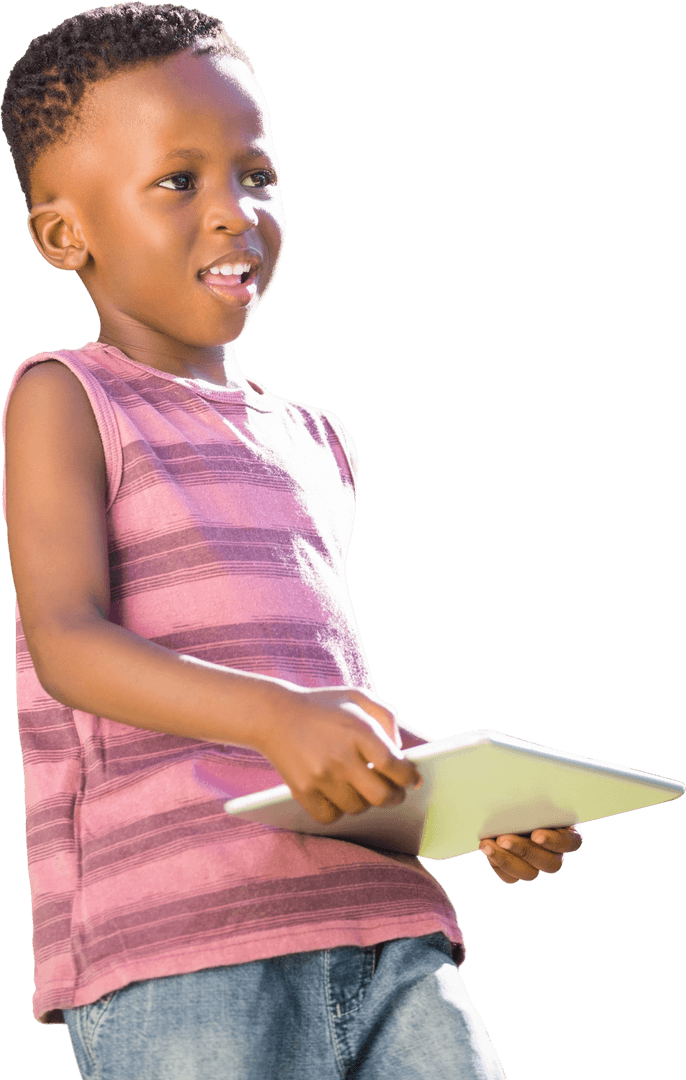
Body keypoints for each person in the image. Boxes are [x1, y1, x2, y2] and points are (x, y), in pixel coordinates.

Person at [1, 5, 582, 1077]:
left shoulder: (322, 441)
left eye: (255, 176)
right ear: (63, 232)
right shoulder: (64, 398)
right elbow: (68, 643)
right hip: (183, 949)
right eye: (178, 182)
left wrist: (452, 798)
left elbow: (317, 700)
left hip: (385, 925)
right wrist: (277, 717)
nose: (234, 213)